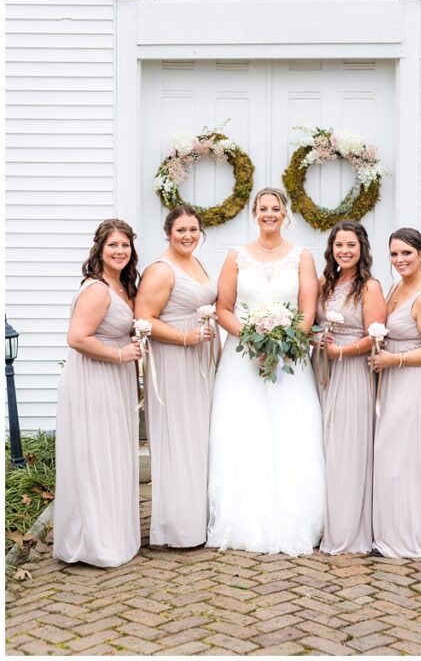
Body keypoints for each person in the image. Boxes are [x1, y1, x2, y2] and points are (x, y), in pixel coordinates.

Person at [206, 188, 326, 555]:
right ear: (254, 213)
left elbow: (307, 308)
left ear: (285, 214)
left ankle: (295, 518)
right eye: (263, 208)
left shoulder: (302, 257)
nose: (269, 214)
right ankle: (245, 519)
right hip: (243, 359)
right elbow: (223, 308)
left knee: (292, 431)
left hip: (289, 360)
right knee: (245, 431)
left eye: (275, 208)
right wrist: (252, 337)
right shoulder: (236, 256)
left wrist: (287, 342)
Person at [53, 219, 143, 567]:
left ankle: (112, 533)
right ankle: (93, 542)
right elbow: (77, 338)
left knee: (112, 455)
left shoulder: (122, 285)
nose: (120, 251)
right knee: (96, 456)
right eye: (113, 246)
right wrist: (120, 354)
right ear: (99, 250)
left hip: (114, 378)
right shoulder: (97, 289)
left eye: (125, 245)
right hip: (93, 378)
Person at [134, 206, 217, 548]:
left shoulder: (196, 262)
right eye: (181, 230)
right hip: (175, 361)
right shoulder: (161, 270)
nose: (188, 236)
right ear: (168, 232)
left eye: (193, 230)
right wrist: (185, 337)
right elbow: (143, 320)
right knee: (178, 438)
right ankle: (179, 528)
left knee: (197, 438)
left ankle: (197, 520)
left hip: (199, 360)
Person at [369, 228, 421, 559]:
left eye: (406, 253)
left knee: (402, 456)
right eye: (394, 254)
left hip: (413, 381)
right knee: (390, 454)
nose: (399, 259)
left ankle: (407, 536)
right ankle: (390, 530)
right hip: (392, 378)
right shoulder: (396, 287)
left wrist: (396, 359)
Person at [316, 221, 386, 554]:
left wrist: (342, 352)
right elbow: (310, 322)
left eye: (351, 245)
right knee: (324, 446)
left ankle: (347, 529)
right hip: (321, 370)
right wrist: (317, 340)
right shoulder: (324, 283)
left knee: (347, 448)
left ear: (362, 249)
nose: (344, 251)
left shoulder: (369, 287)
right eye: (339, 245)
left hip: (352, 371)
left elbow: (376, 336)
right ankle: (323, 521)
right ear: (331, 249)